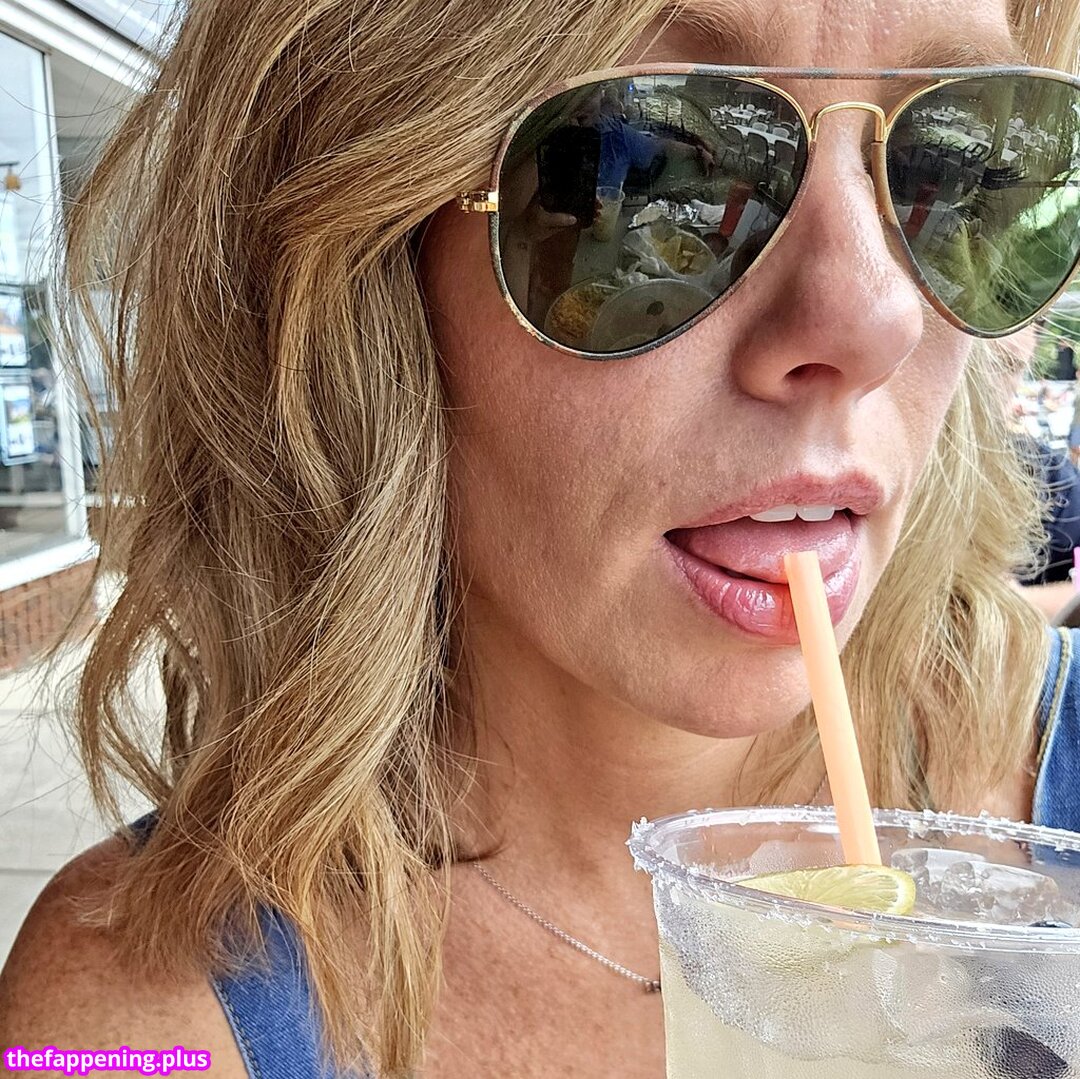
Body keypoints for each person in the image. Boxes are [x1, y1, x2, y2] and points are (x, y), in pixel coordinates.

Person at [2, 2, 1080, 1079]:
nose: (876, 319)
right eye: (651, 174)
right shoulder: (122, 1027)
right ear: (367, 272)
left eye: (955, 173)